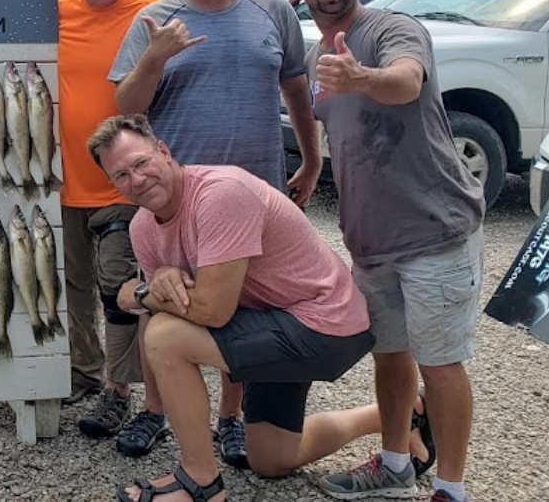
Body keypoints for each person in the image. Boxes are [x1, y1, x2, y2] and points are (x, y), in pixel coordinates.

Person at [88, 115, 428, 502]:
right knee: (272, 459)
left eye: (141, 163)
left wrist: (140, 291)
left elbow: (211, 311)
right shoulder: (143, 228)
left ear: (163, 152)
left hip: (325, 324)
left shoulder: (221, 193)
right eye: (121, 175)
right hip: (270, 321)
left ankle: (201, 481)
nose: (137, 179)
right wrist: (153, 285)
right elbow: (166, 298)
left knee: (165, 336)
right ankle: (401, 414)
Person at [106, 0, 324, 468]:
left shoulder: (272, 11)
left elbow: (296, 89)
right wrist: (154, 58)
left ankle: (230, 418)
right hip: (173, 198)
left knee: (242, 305)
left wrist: (313, 156)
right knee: (161, 298)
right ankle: (156, 411)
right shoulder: (154, 20)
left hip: (253, 193)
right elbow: (126, 107)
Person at [291, 0, 484, 502]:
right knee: (391, 354)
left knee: (441, 364)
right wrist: (310, 162)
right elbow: (338, 130)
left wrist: (361, 78)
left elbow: (406, 81)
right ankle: (397, 464)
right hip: (371, 242)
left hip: (434, 231)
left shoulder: (393, 28)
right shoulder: (313, 54)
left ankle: (451, 488)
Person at [54, 0, 166, 448]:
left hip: (126, 184)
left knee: (120, 289)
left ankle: (131, 395)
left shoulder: (153, 12)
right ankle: (86, 373)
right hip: (63, 182)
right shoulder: (55, 14)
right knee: (75, 288)